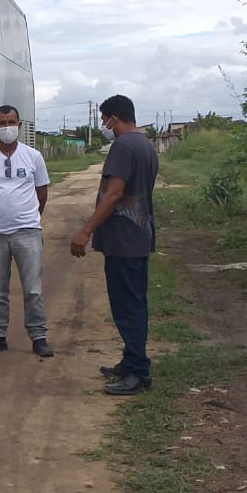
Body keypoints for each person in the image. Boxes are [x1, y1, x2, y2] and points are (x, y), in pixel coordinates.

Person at [69, 94, 159, 395]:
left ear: (114, 118)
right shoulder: (145, 144)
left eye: (103, 119)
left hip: (124, 240)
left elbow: (114, 193)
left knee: (127, 306)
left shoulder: (122, 146)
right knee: (135, 302)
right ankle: (131, 360)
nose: (103, 125)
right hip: (139, 236)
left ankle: (137, 372)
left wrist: (85, 230)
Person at [0, 105, 54, 358]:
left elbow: (42, 191)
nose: (8, 127)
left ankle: (39, 337)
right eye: (3, 123)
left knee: (33, 289)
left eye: (12, 122)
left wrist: (29, 216)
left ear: (19, 124)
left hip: (27, 232)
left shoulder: (33, 157)